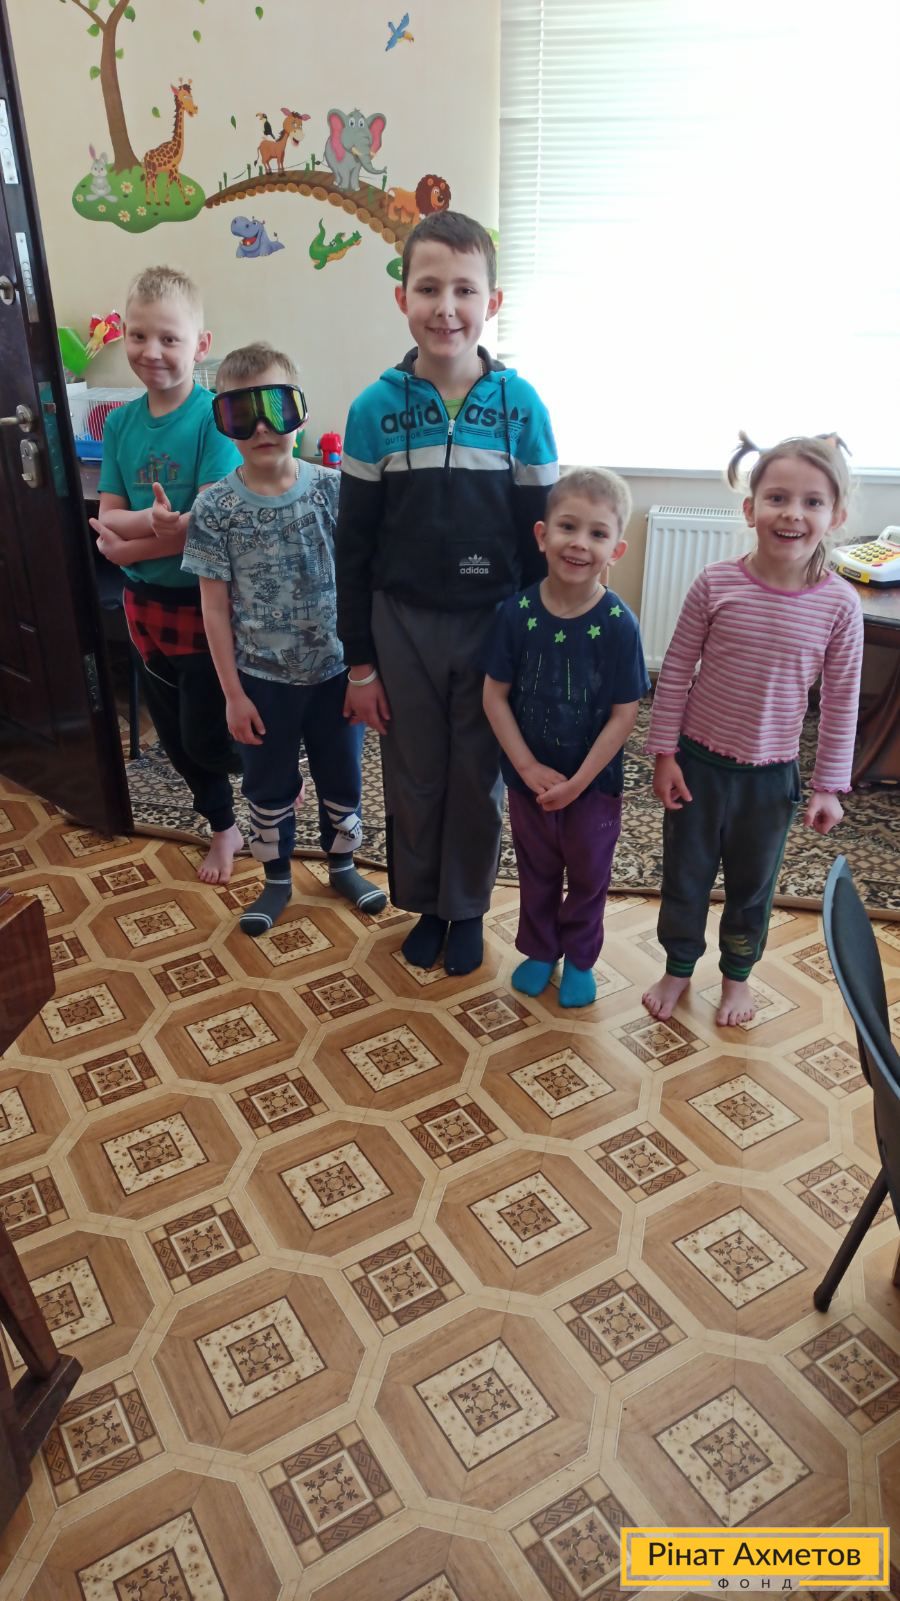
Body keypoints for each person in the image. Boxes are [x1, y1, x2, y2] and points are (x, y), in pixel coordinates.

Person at [336, 210, 558, 976]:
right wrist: (360, 664)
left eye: (465, 289)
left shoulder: (523, 408)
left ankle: (465, 907)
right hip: (400, 625)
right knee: (416, 772)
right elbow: (352, 546)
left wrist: (534, 647)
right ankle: (425, 905)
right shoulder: (373, 410)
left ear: (492, 302)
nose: (446, 307)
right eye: (429, 288)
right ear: (403, 297)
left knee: (476, 775)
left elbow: (542, 541)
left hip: (494, 624)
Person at [642, 432, 863, 1028]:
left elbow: (842, 701)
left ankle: (736, 976)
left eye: (813, 502)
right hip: (697, 766)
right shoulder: (715, 583)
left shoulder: (840, 606)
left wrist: (828, 787)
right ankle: (678, 966)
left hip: (770, 780)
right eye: (777, 498)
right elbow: (675, 670)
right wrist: (664, 754)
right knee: (684, 877)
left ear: (836, 516)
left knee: (752, 887)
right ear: (750, 508)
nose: (792, 513)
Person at [182, 342, 386, 936]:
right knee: (269, 785)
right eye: (242, 414)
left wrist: (367, 672)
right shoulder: (215, 508)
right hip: (262, 683)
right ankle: (276, 878)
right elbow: (214, 608)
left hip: (336, 676)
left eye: (276, 408)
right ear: (224, 423)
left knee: (342, 777)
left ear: (300, 410)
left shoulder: (335, 490)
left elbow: (364, 583)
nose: (263, 428)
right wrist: (232, 694)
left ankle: (343, 864)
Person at [89, 265, 243, 884]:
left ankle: (271, 790)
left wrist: (129, 545)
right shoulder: (119, 423)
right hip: (144, 608)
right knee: (177, 735)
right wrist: (149, 529)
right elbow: (107, 518)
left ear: (201, 345)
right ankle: (223, 825)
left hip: (205, 607)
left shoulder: (215, 417)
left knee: (211, 735)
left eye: (169, 338)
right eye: (138, 335)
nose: (151, 351)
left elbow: (202, 525)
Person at [483, 468, 649, 1006]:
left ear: (615, 550)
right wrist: (527, 768)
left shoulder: (619, 624)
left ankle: (579, 957)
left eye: (597, 533)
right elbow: (493, 696)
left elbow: (625, 713)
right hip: (528, 782)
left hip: (592, 787)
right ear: (542, 535)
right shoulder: (516, 614)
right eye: (568, 527)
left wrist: (578, 783)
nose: (579, 543)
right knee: (536, 870)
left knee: (588, 873)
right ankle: (539, 950)